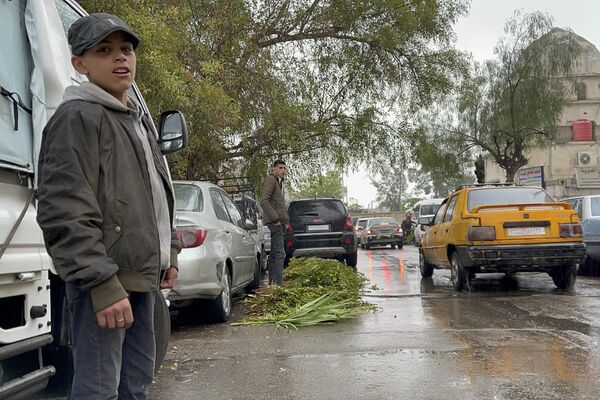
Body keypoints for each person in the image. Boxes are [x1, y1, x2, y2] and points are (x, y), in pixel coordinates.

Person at [36, 13, 180, 399]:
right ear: (79, 64)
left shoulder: (135, 120)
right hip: (107, 281)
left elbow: (152, 193)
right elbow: (63, 209)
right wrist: (101, 283)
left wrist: (170, 252)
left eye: (126, 49)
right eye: (104, 50)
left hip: (140, 277)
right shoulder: (77, 117)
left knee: (135, 386)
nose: (120, 58)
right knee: (99, 390)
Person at [260, 160, 289, 285]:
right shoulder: (271, 180)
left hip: (277, 222)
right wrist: (276, 219)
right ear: (274, 168)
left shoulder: (277, 181)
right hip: (274, 222)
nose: (283, 170)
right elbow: (263, 201)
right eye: (280, 168)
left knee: (273, 254)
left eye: (284, 168)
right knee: (280, 253)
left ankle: (272, 283)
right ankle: (280, 285)